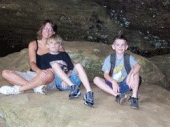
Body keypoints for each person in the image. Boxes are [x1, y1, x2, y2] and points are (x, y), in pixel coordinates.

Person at [0, 19, 65, 95]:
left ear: (54, 32)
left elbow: (65, 62)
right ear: (41, 29)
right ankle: (35, 88)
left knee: (50, 74)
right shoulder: (33, 44)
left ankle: (19, 89)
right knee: (5, 73)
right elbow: (32, 62)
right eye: (45, 28)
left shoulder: (57, 46)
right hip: (34, 74)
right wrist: (39, 71)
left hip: (48, 78)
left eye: (50, 29)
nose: (47, 31)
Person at [40, 34, 94, 107]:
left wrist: (66, 79)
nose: (54, 45)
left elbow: (71, 69)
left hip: (71, 79)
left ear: (60, 46)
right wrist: (63, 79)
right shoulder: (44, 58)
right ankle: (73, 87)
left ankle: (89, 92)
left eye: (56, 43)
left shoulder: (64, 55)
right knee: (54, 65)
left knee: (78, 65)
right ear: (47, 45)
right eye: (51, 43)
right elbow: (48, 72)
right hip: (60, 83)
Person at [93, 32, 141, 109]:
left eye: (122, 45)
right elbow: (106, 74)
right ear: (113, 47)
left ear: (126, 47)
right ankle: (118, 96)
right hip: (113, 85)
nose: (120, 47)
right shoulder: (110, 58)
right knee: (96, 79)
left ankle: (134, 97)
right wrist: (113, 82)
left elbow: (138, 66)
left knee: (136, 70)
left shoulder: (128, 58)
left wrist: (131, 75)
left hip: (126, 83)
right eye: (118, 44)